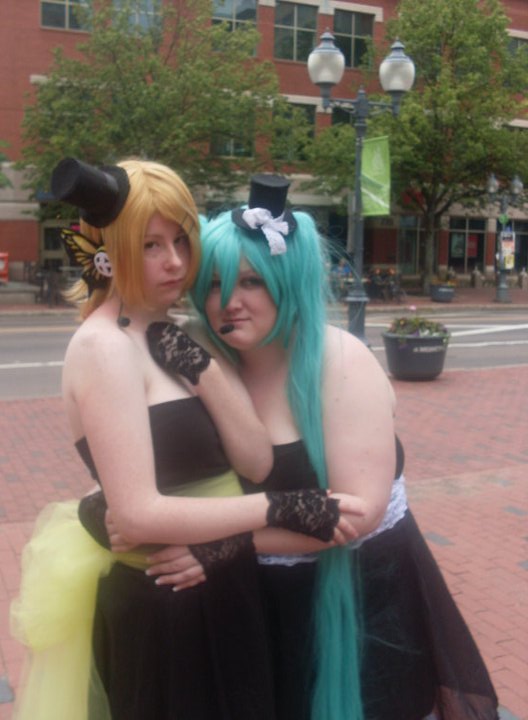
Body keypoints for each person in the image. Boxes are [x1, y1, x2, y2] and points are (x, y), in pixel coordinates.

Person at [10, 159, 361, 720]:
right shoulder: (103, 348)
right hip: (166, 605)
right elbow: (139, 514)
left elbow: (256, 460)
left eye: (180, 240)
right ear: (109, 250)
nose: (174, 261)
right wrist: (281, 508)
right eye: (150, 245)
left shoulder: (184, 331)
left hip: (226, 586)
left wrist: (203, 371)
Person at [145, 174, 499, 720]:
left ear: (288, 279)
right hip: (256, 612)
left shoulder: (341, 362)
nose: (229, 302)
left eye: (252, 282)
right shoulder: (207, 364)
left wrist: (218, 547)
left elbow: (356, 513)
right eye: (214, 285)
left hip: (360, 613)